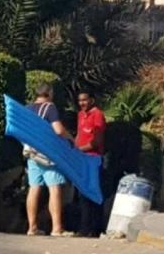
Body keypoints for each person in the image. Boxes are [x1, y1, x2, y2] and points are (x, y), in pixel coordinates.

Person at [25, 83, 73, 237]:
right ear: (50, 93)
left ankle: (32, 227)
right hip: (48, 154)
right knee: (54, 188)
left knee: (34, 188)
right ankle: (56, 228)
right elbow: (58, 130)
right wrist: (71, 137)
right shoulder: (50, 107)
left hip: (32, 153)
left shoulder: (28, 108)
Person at [75, 91, 106, 237]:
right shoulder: (81, 114)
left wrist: (80, 149)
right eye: (80, 101)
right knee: (82, 194)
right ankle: (84, 227)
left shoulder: (97, 114)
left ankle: (95, 228)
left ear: (92, 100)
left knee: (93, 193)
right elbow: (79, 135)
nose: (82, 103)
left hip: (93, 159)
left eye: (85, 100)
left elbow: (97, 141)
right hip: (81, 159)